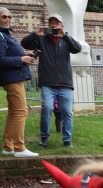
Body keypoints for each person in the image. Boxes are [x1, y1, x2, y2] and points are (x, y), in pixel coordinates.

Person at [21, 13, 82, 148]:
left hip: (65, 83)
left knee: (67, 111)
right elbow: (24, 43)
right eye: (51, 23)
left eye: (56, 23)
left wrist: (64, 35)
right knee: (47, 109)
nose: (53, 25)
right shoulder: (42, 39)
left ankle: (67, 140)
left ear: (61, 25)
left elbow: (78, 49)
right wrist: (36, 34)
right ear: (48, 25)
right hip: (47, 83)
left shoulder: (66, 40)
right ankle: (44, 138)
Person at [0, 7, 39, 158]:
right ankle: (19, 148)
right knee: (21, 111)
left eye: (9, 16)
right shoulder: (1, 36)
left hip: (15, 77)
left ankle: (8, 147)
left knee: (13, 113)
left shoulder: (6, 34)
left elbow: (10, 53)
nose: (8, 19)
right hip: (12, 79)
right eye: (4, 16)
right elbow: (1, 60)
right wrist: (21, 59)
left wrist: (25, 54)